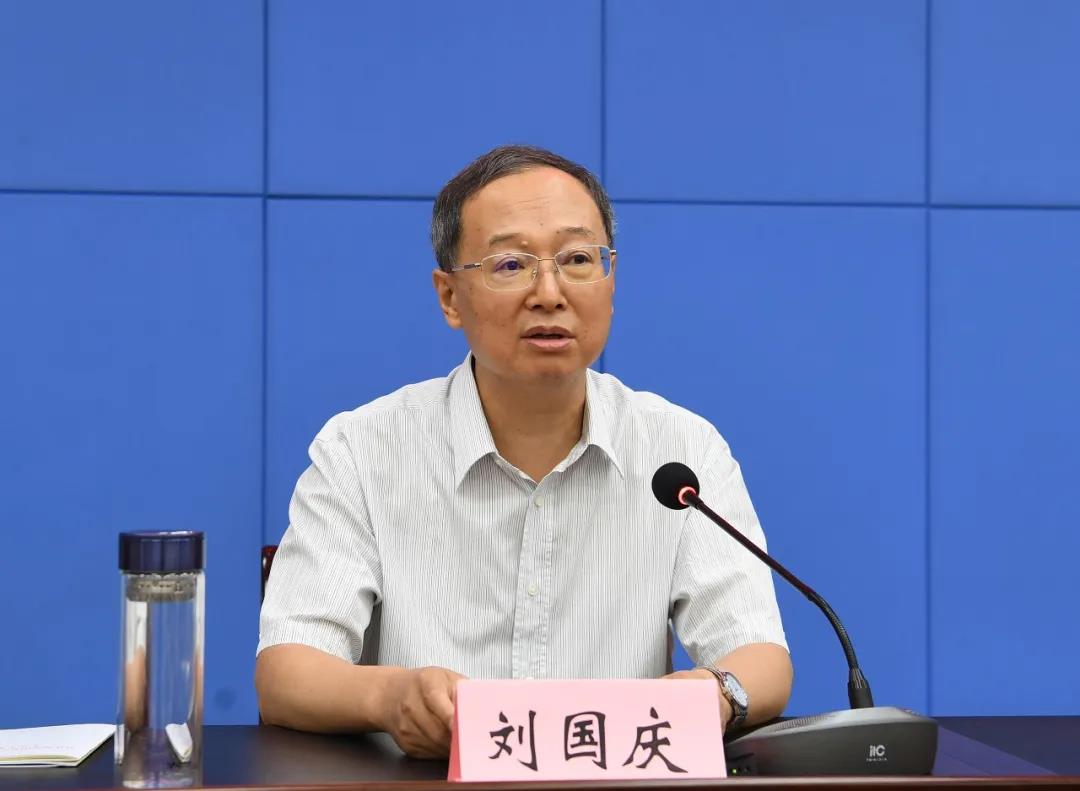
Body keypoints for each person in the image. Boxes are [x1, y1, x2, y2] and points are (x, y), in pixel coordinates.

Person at [256, 145, 792, 758]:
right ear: (449, 297)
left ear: (611, 282)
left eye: (578, 259)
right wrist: (390, 697)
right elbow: (286, 673)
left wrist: (714, 693)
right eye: (510, 264)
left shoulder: (681, 449)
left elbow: (760, 654)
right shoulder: (362, 451)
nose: (550, 292)